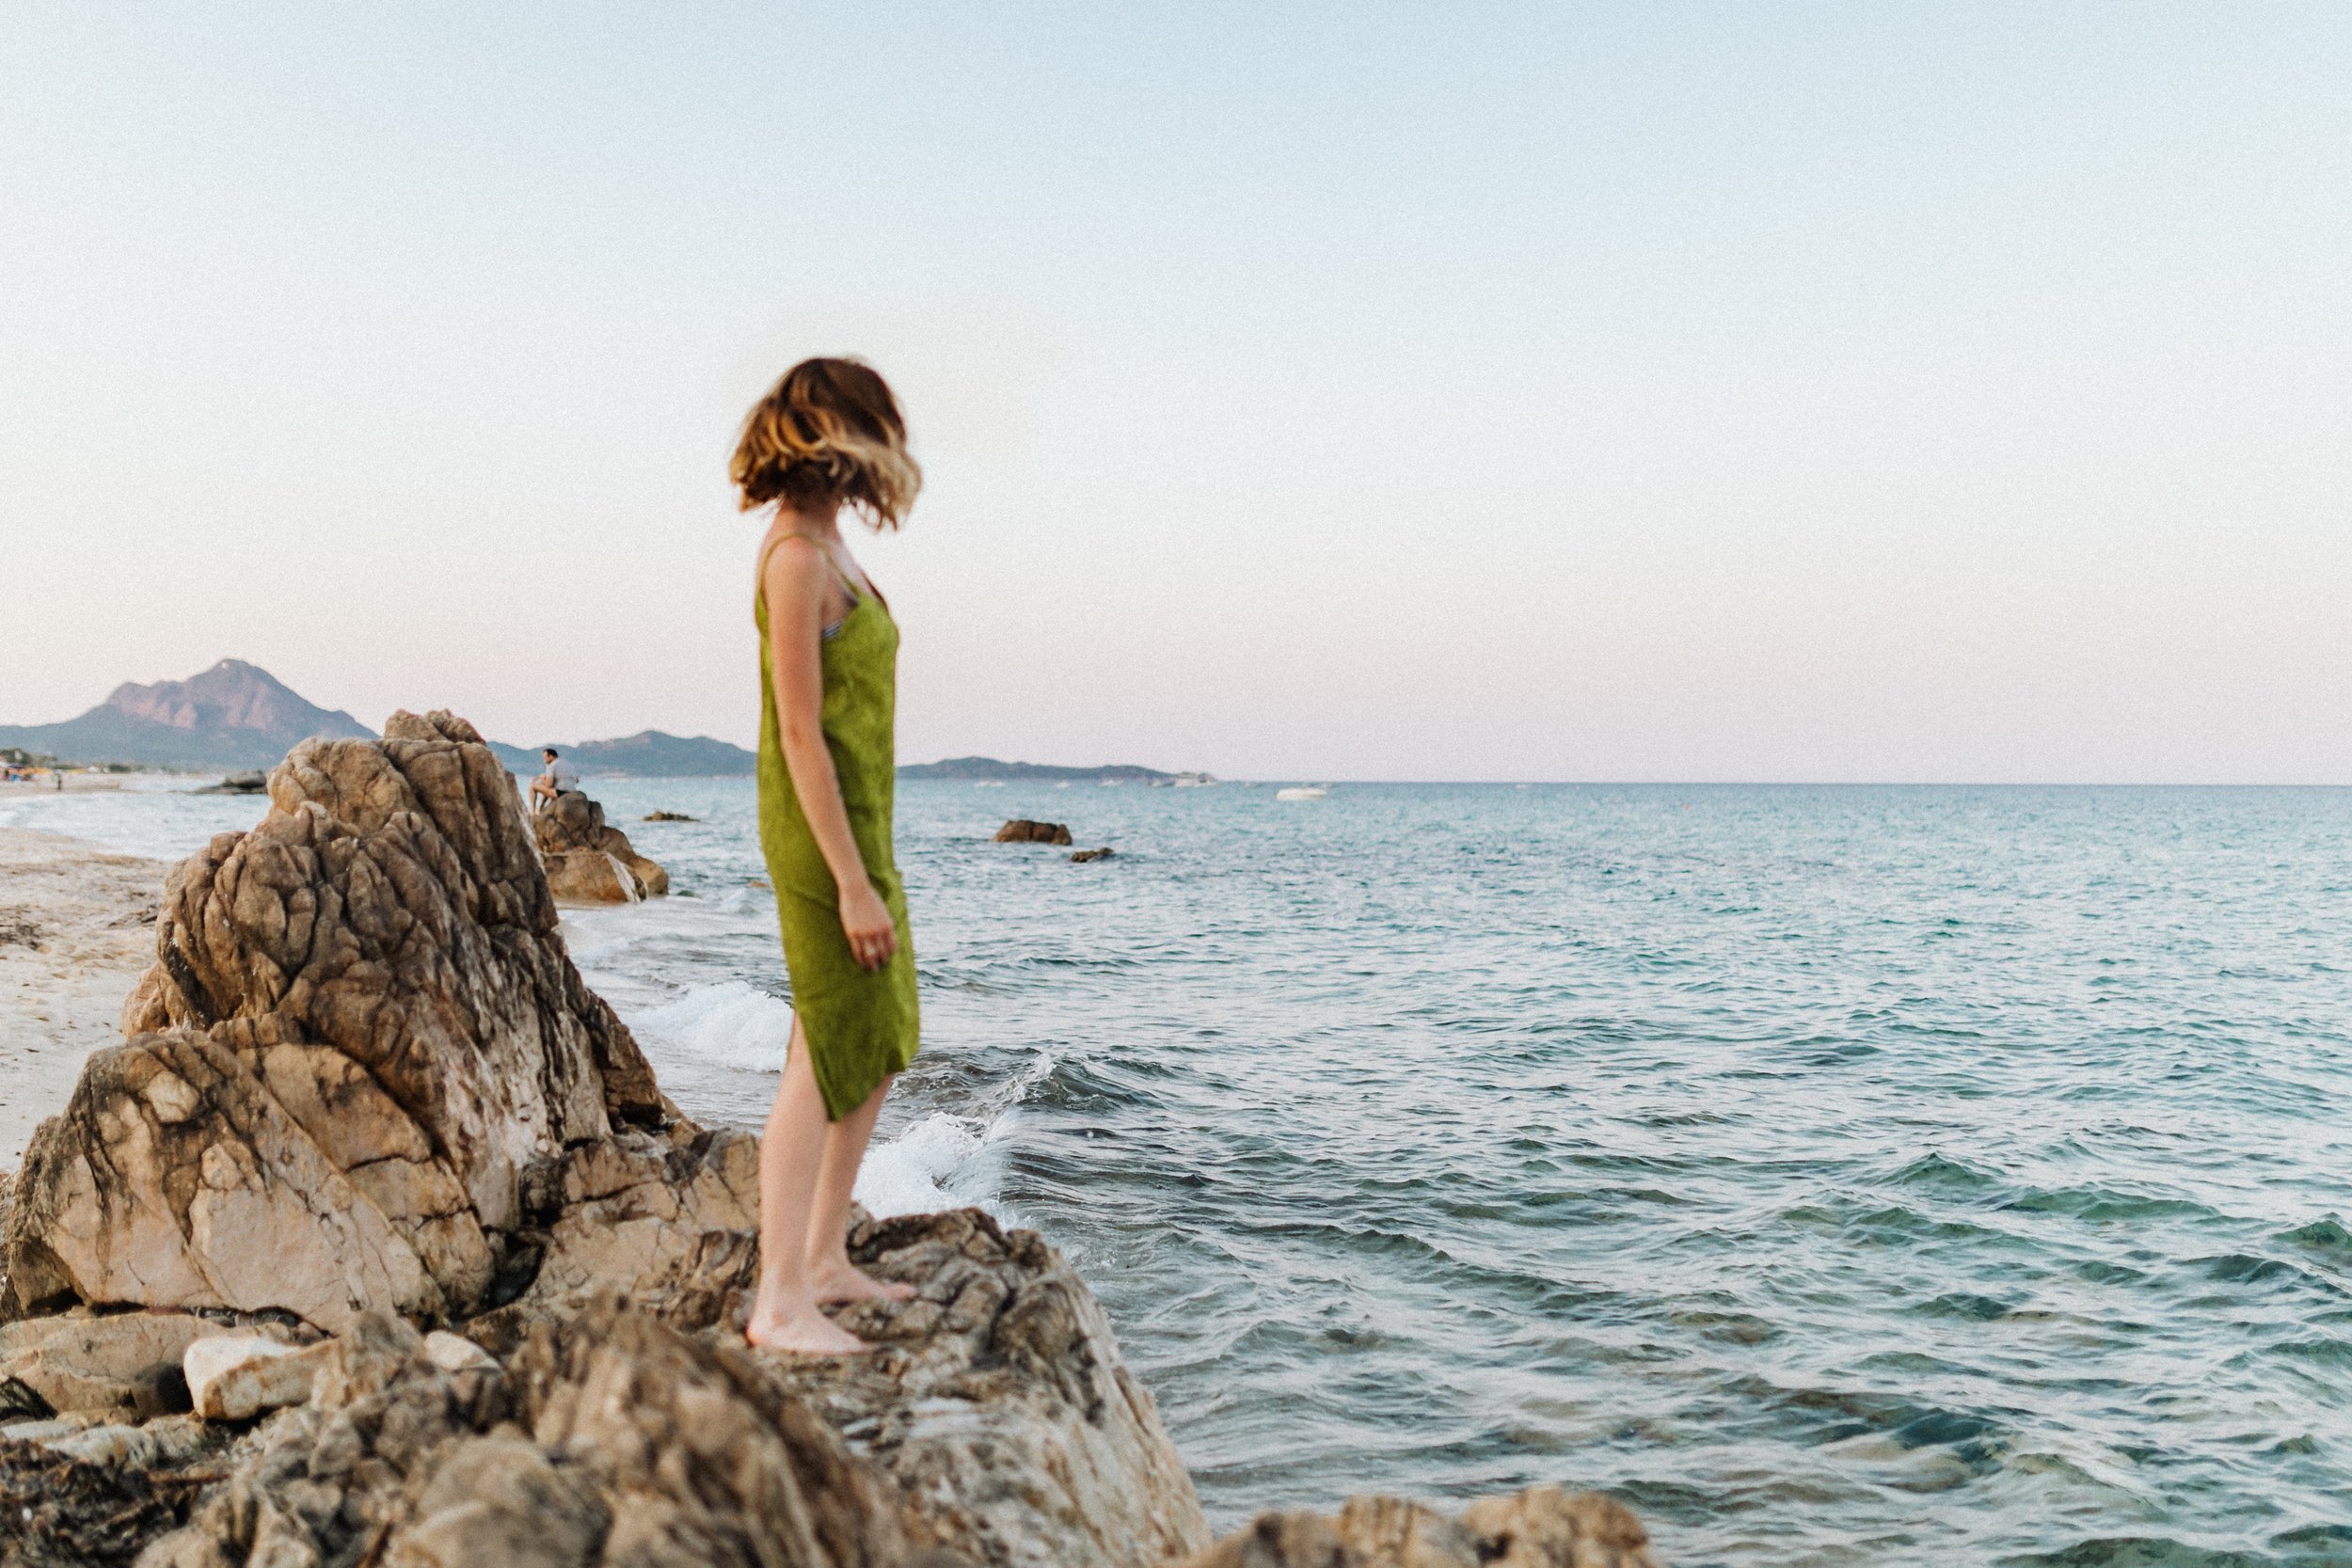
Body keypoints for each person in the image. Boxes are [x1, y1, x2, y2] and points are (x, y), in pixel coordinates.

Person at [738, 357, 924, 1354]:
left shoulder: (831, 544)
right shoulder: (795, 558)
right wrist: (849, 880)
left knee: (881, 1034)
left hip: (863, 822)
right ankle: (777, 1300)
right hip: (820, 836)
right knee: (822, 1048)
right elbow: (800, 732)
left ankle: (820, 1257)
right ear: (831, 437)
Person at [529, 747, 578, 813]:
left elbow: (549, 784)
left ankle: (533, 812)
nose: (544, 760)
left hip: (560, 793)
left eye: (545, 757)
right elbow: (577, 780)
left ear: (551, 756)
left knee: (532, 786)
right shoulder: (569, 764)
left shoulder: (552, 765)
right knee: (547, 788)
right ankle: (540, 809)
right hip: (572, 792)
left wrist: (543, 779)